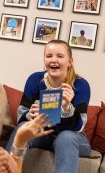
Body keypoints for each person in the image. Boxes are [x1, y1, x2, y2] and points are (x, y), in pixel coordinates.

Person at [5, 40, 91, 173]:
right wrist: (30, 115)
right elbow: (21, 115)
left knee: (66, 137)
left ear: (70, 61)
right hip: (43, 133)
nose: (53, 60)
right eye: (49, 56)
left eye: (60, 56)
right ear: (44, 59)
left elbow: (79, 125)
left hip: (72, 136)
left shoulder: (81, 85)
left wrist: (66, 108)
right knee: (23, 128)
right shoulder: (35, 79)